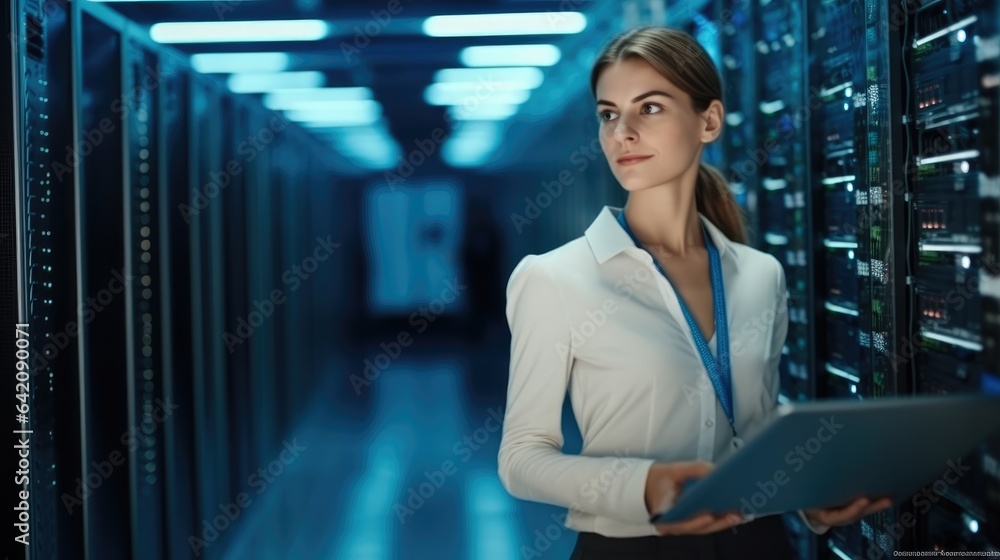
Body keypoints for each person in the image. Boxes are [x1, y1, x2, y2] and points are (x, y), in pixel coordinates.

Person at [497, 26, 891, 559]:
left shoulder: (760, 275)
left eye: (650, 108)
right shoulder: (554, 279)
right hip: (634, 549)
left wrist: (806, 498)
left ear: (708, 121)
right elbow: (521, 458)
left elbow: (751, 428)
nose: (622, 133)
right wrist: (644, 486)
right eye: (609, 114)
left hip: (761, 545)